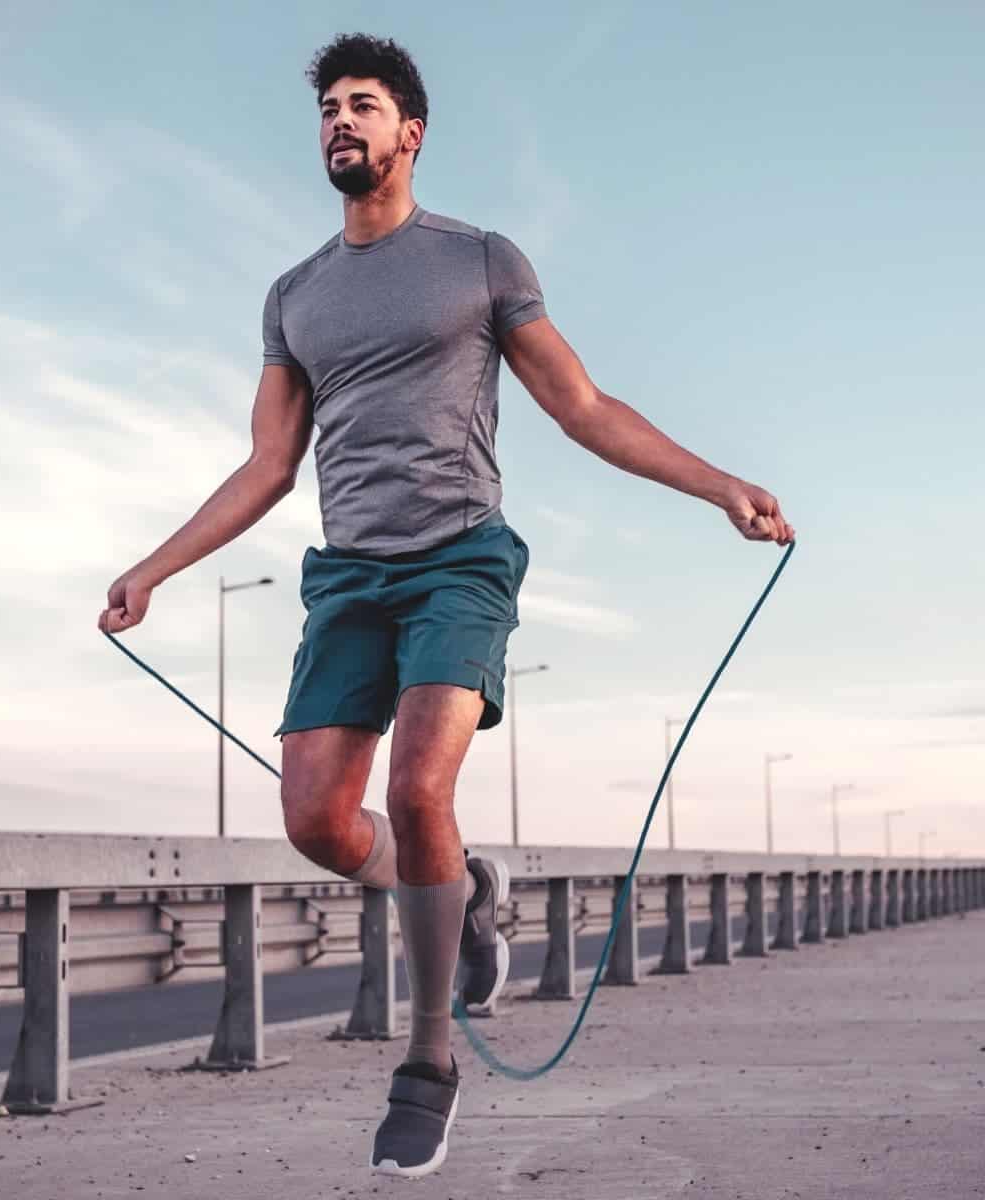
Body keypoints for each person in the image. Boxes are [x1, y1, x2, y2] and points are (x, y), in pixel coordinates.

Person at [98, 32, 795, 1180]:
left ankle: (428, 1059)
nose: (339, 122)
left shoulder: (478, 260)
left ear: (410, 133)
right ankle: (471, 891)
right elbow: (268, 466)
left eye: (362, 106)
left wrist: (720, 484)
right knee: (319, 821)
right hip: (348, 576)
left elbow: (581, 406)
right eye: (327, 108)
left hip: (460, 561)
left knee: (421, 788)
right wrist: (154, 568)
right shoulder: (295, 297)